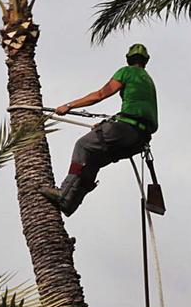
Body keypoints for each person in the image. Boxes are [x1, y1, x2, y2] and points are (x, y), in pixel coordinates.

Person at [40, 43, 159, 216]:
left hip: (126, 128)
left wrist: (68, 106)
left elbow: (100, 94)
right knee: (93, 160)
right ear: (146, 61)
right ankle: (71, 204)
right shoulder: (148, 80)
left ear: (128, 59)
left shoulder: (126, 72)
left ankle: (64, 192)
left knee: (83, 145)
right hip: (139, 140)